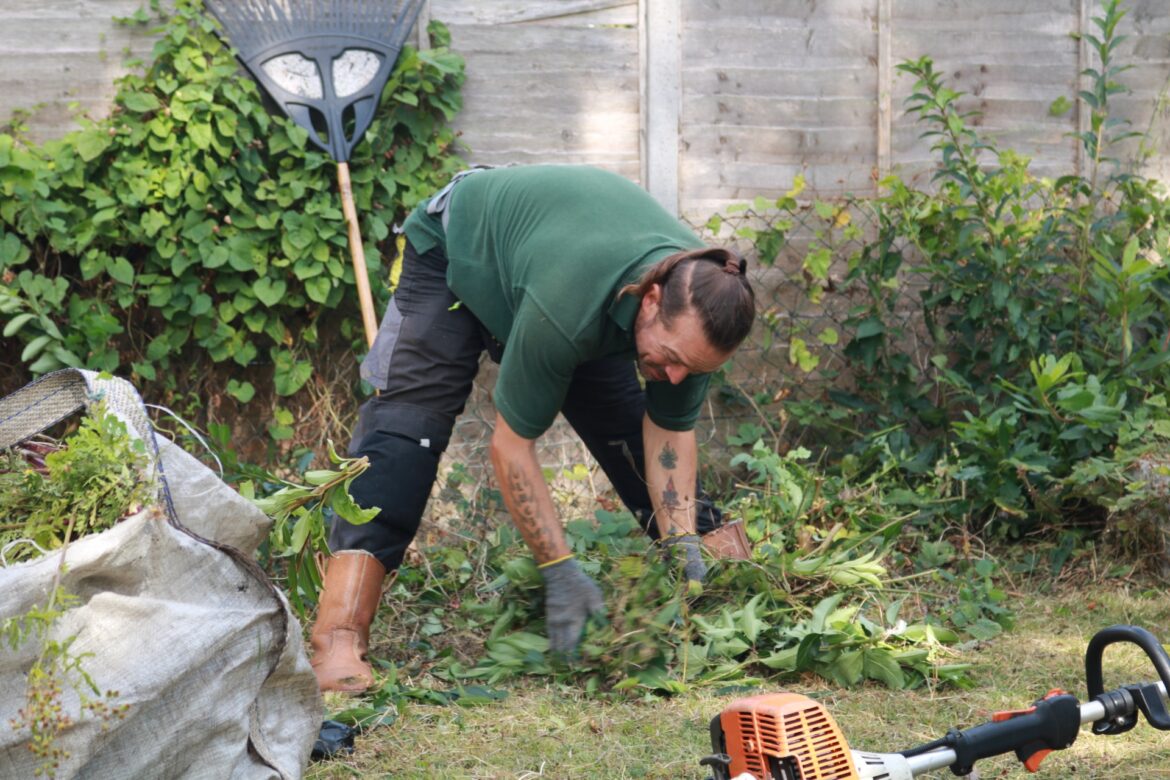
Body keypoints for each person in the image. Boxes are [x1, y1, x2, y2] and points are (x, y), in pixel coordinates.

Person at [310, 164, 756, 693]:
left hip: (568, 277)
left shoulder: (702, 303)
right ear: (652, 298)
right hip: (460, 253)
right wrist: (560, 568)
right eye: (675, 359)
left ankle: (730, 597)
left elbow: (668, 433)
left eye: (694, 370)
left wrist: (683, 542)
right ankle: (337, 636)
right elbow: (511, 447)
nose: (677, 376)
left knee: (627, 439)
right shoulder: (568, 308)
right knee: (410, 431)